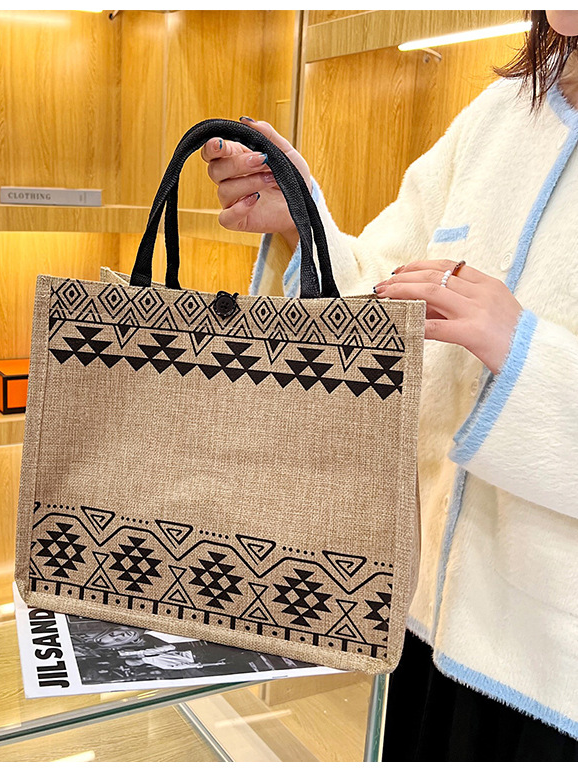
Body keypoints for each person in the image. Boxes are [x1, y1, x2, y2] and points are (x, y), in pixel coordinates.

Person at [200, 9, 578, 761]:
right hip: (425, 625)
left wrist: (524, 352)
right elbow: (381, 291)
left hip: (554, 678)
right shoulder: (500, 115)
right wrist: (304, 221)